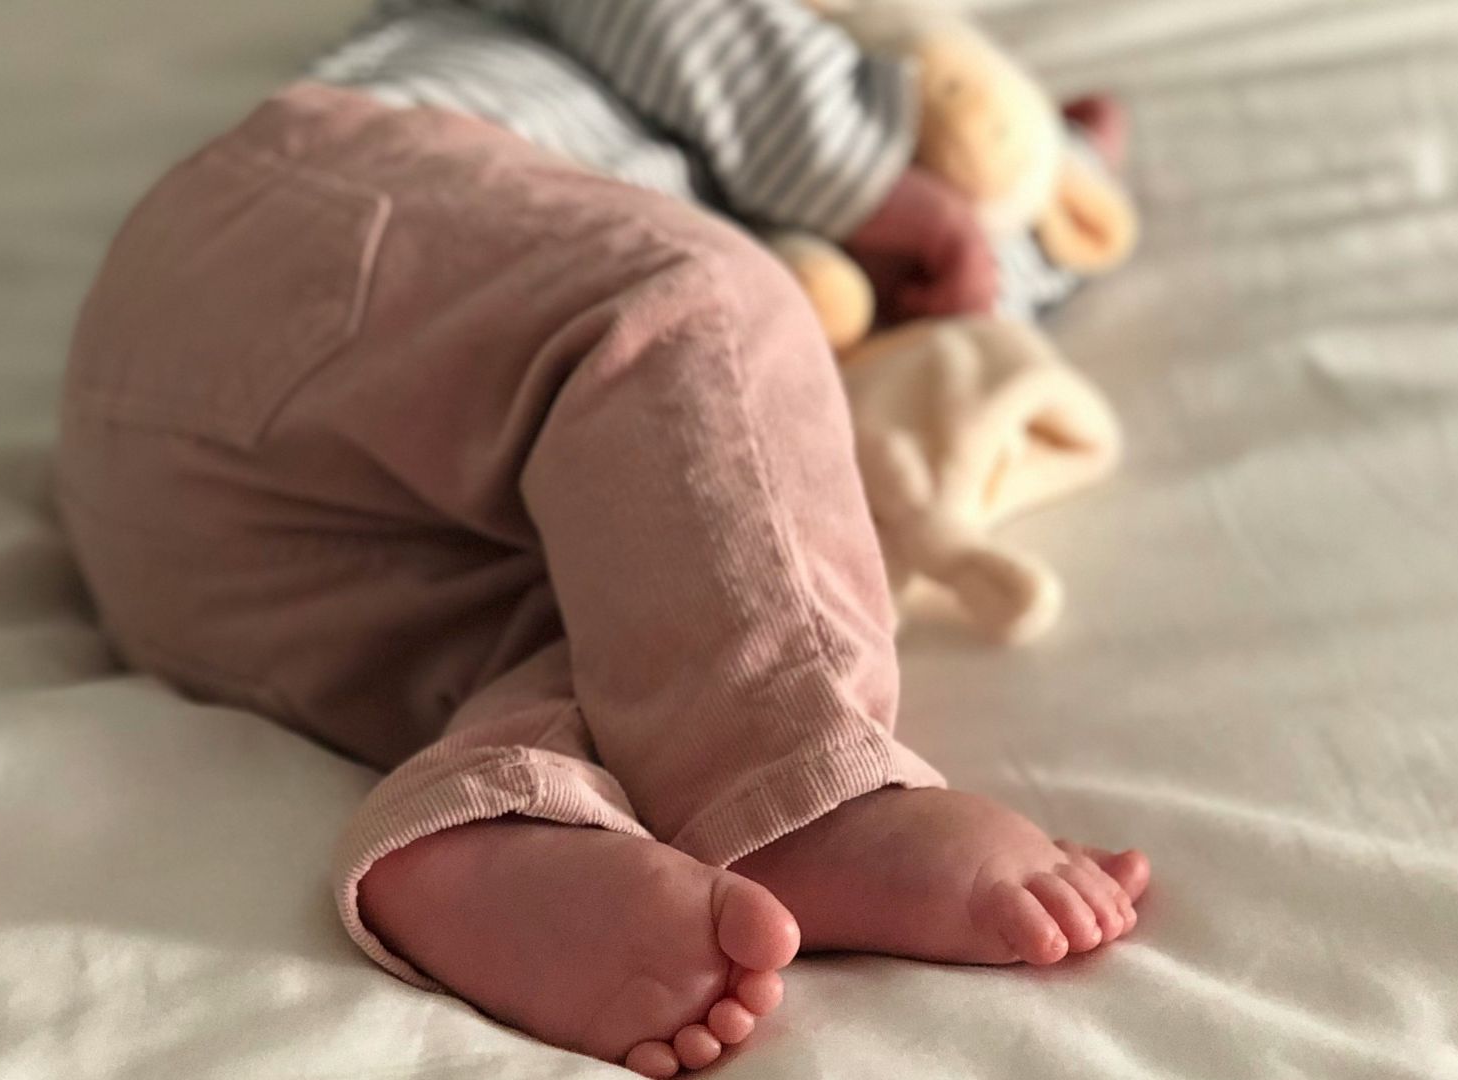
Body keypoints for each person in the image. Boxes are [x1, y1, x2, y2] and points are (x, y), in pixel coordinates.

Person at [56, 2, 1149, 1075]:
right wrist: (873, 177)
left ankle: (495, 827)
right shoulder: (775, 64)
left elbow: (975, 287)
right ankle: (801, 776)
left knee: (644, 615)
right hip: (291, 235)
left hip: (224, 553)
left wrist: (1052, 188)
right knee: (699, 307)